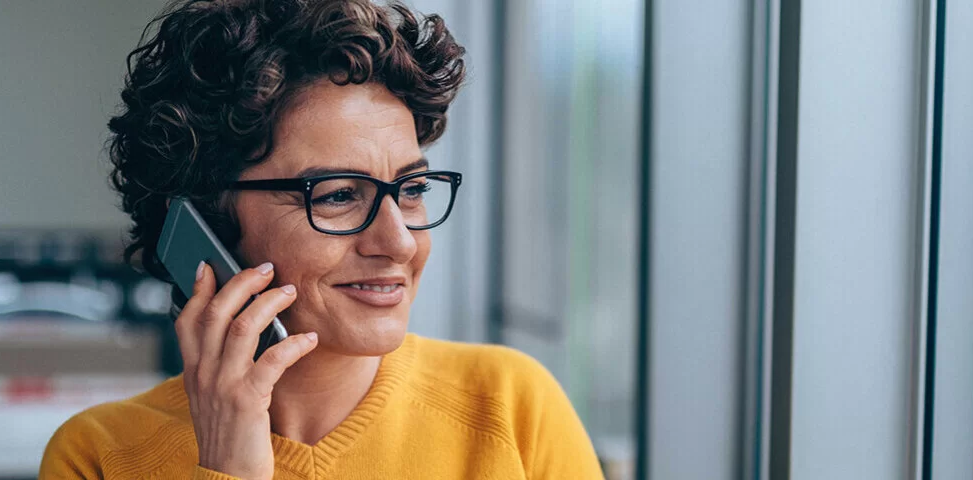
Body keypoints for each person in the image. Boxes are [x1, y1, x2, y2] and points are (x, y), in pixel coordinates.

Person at [38, 0, 604, 478]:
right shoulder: (100, 456)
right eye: (337, 196)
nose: (400, 243)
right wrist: (229, 462)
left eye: (410, 188)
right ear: (206, 222)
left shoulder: (511, 408)